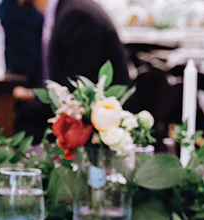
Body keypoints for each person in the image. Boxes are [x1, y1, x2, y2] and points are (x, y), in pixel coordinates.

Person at [12, 0, 130, 138]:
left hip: (101, 130)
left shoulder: (76, 16)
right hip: (83, 119)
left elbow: (77, 88)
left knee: (16, 124)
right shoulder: (65, 11)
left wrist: (31, 97)